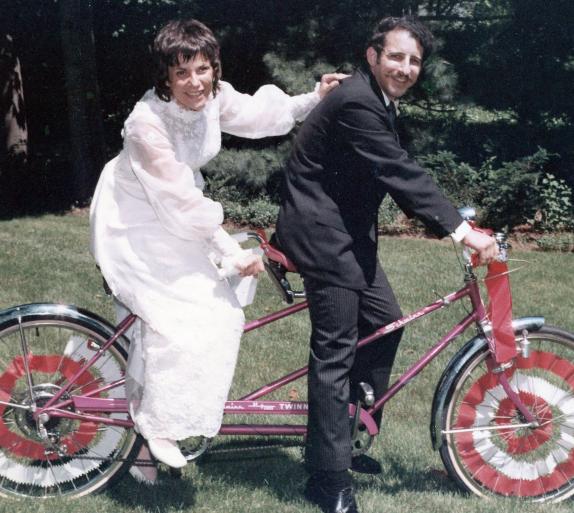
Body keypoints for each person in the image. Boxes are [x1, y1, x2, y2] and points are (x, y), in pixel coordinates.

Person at [89, 18, 345, 478]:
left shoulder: (213, 97)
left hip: (178, 210)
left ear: (214, 68)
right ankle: (158, 428)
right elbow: (181, 202)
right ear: (164, 76)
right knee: (185, 318)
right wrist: (229, 252)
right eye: (182, 72)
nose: (195, 82)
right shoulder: (145, 124)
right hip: (136, 218)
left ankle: (143, 451)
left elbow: (260, 115)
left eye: (203, 69)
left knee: (212, 315)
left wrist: (315, 97)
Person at [275, 15, 498, 513]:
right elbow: (398, 170)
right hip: (321, 236)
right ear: (372, 56)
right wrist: (461, 232)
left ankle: (347, 432)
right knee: (335, 354)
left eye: (414, 60)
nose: (405, 67)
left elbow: (391, 170)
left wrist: (446, 220)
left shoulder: (375, 99)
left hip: (347, 233)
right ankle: (327, 478)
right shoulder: (357, 100)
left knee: (385, 322)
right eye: (396, 56)